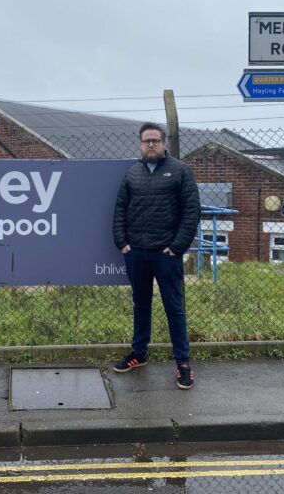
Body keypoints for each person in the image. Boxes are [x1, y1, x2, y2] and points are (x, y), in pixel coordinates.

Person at [112, 122, 201, 389]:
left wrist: (177, 247)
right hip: (136, 253)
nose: (150, 144)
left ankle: (183, 364)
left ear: (163, 144)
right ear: (140, 144)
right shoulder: (132, 174)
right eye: (146, 141)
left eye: (155, 140)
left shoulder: (180, 171)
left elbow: (191, 212)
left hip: (166, 255)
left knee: (174, 309)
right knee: (141, 305)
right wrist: (122, 243)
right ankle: (138, 354)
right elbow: (119, 210)